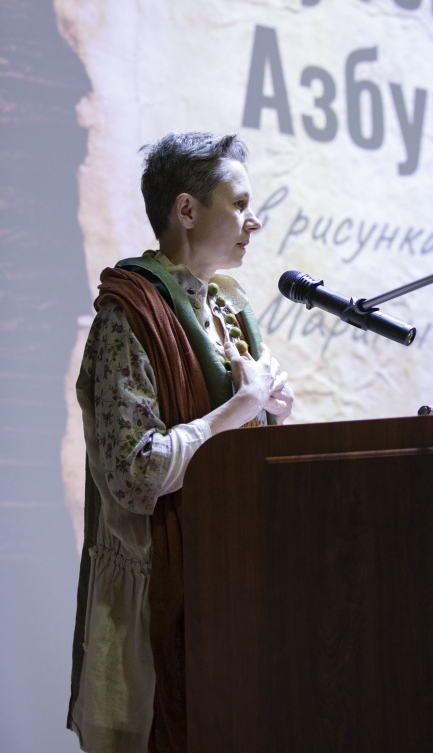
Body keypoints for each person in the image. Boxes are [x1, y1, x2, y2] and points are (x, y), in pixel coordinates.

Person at [67, 132, 293, 753]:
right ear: (186, 210)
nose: (254, 221)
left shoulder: (227, 309)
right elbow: (136, 473)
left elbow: (240, 451)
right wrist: (239, 409)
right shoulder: (131, 311)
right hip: (160, 597)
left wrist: (272, 415)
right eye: (239, 204)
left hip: (234, 581)